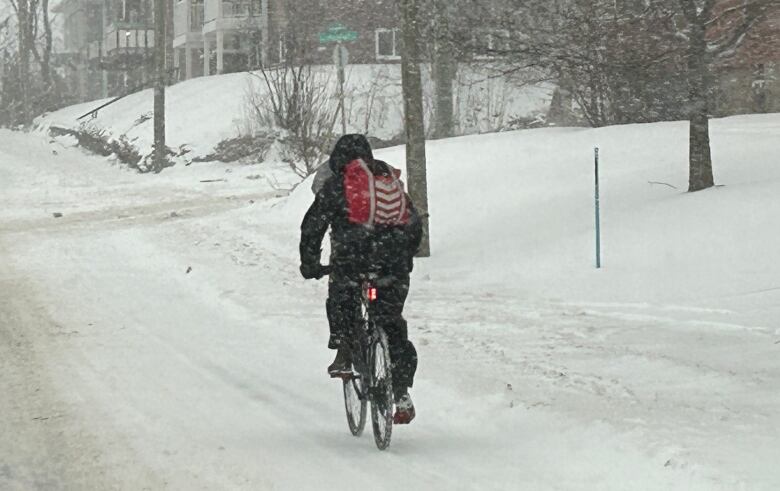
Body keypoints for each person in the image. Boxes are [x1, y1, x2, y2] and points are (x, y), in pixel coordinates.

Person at [299, 134, 422, 424]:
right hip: (391, 266)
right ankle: (401, 390)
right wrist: (404, 259)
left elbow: (312, 227)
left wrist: (310, 264)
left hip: (352, 262)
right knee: (391, 323)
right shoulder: (387, 180)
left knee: (341, 295)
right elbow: (413, 223)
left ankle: (343, 349)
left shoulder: (337, 185)